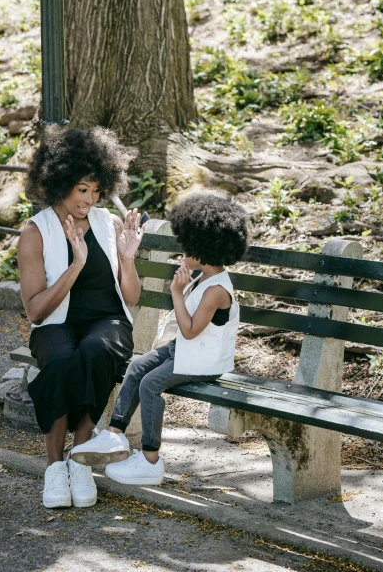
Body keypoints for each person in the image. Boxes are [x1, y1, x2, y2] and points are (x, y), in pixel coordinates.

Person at [70, 192, 248, 486]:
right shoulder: (202, 276)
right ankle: (114, 435)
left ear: (204, 251)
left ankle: (151, 459)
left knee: (151, 384)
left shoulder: (217, 290)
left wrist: (176, 293)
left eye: (187, 248)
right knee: (138, 366)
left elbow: (190, 329)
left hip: (204, 359)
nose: (182, 253)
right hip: (186, 349)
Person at [17, 125, 145, 508]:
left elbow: (132, 298)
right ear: (59, 184)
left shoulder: (109, 224)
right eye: (81, 190)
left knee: (95, 351)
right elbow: (36, 310)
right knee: (59, 359)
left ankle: (81, 458)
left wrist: (126, 258)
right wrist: (76, 266)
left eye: (96, 190)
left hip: (109, 322)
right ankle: (55, 466)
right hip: (55, 323)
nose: (89, 200)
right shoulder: (35, 232)